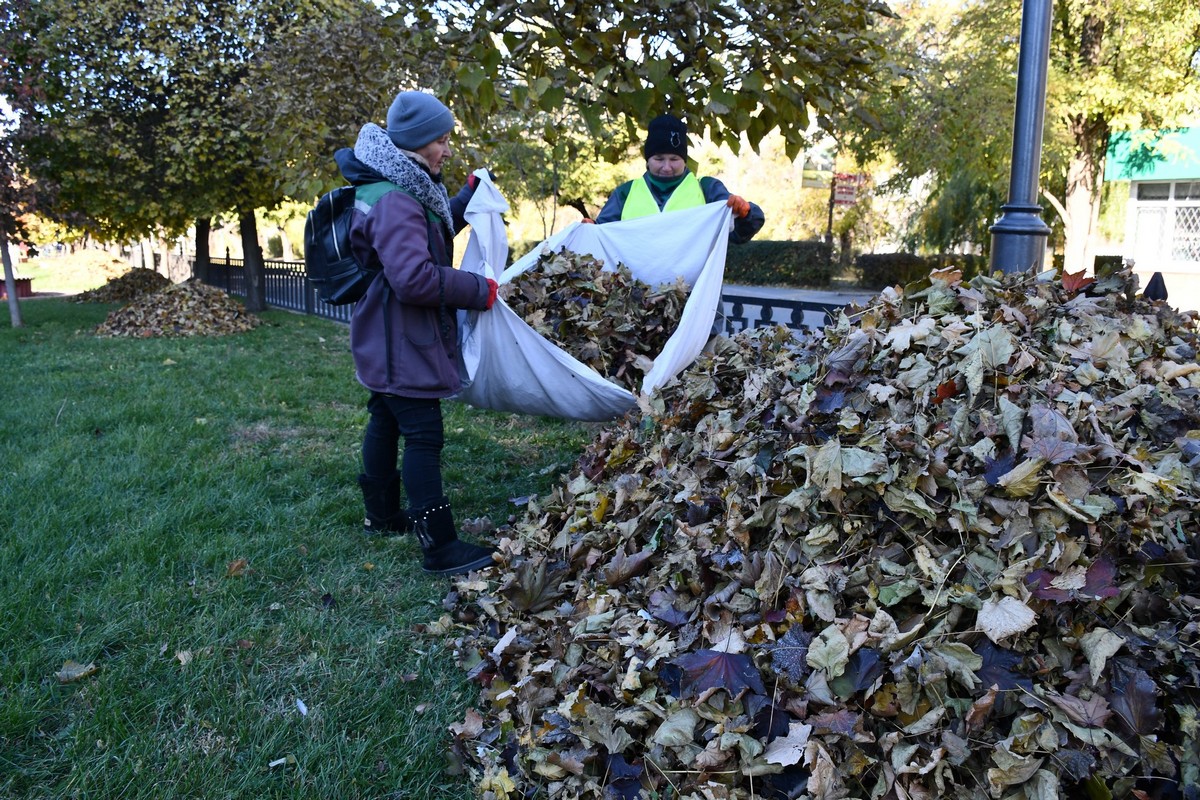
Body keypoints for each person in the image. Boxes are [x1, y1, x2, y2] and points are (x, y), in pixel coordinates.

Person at [332, 89, 499, 576]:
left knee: (384, 417)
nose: (447, 150)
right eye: (441, 141)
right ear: (417, 143)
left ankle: (381, 516)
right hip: (403, 335)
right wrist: (478, 289)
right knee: (423, 435)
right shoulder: (397, 198)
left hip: (381, 331)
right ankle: (440, 546)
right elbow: (414, 277)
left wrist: (464, 198)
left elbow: (422, 227)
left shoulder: (388, 184)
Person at [590, 113, 765, 245]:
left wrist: (745, 213)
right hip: (635, 291)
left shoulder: (707, 189)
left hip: (696, 292)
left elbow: (739, 231)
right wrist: (588, 230)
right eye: (659, 159)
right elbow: (599, 236)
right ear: (647, 160)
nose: (667, 167)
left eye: (674, 159)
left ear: (684, 160)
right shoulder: (625, 194)